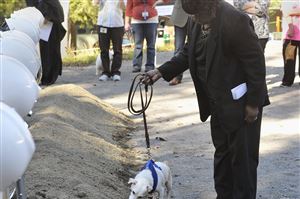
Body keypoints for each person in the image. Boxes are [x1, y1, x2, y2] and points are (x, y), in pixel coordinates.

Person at [143, 0, 270, 198]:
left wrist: (253, 104)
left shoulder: (235, 20)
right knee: (222, 157)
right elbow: (188, 52)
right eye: (191, 15)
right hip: (217, 103)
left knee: (242, 163)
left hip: (242, 105)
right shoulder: (196, 19)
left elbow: (255, 63)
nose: (193, 19)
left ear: (210, 7)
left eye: (196, 14)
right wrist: (160, 71)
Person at [26, 0, 66, 86]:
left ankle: (50, 76)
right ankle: (46, 76)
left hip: (51, 22)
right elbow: (32, 6)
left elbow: (55, 7)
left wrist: (48, 17)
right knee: (45, 51)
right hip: (42, 24)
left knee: (51, 50)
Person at [125, 0, 170, 73]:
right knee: (138, 45)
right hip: (136, 21)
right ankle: (136, 65)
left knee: (151, 45)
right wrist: (126, 23)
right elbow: (128, 7)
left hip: (152, 20)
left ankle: (150, 65)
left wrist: (158, 1)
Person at [93, 0, 125, 81]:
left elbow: (124, 7)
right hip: (103, 24)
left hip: (117, 24)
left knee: (117, 49)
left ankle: (115, 72)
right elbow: (94, 3)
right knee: (104, 49)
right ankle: (105, 72)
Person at [168, 0, 189, 86]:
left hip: (197, 14)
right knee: (179, 48)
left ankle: (202, 75)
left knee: (199, 45)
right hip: (181, 15)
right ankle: (176, 76)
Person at [280, 0, 300, 87]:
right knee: (289, 59)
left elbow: (289, 12)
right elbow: (285, 12)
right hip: (289, 35)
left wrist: (291, 12)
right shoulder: (286, 1)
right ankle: (287, 81)